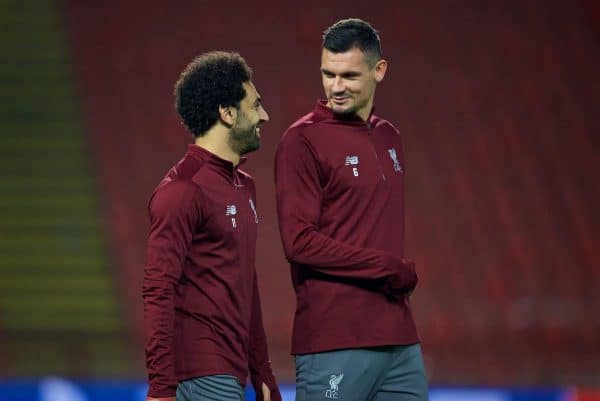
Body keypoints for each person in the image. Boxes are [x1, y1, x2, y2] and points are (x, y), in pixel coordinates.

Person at [275, 19, 428, 401]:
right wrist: (387, 268)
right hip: (334, 339)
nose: (336, 87)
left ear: (380, 71)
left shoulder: (390, 135)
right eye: (329, 74)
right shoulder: (302, 140)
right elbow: (299, 243)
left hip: (399, 342)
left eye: (349, 75)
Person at [143, 51, 281, 401]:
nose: (264, 115)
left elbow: (245, 284)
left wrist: (261, 372)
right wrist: (161, 388)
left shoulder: (243, 185)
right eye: (256, 105)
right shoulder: (183, 189)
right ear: (227, 112)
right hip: (201, 374)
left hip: (229, 374)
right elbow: (158, 289)